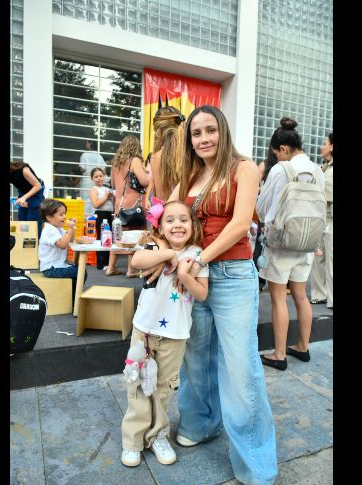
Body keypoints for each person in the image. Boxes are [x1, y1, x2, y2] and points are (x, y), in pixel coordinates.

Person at [166, 105, 278, 485]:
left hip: (230, 275)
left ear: (222, 131)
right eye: (196, 134)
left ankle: (256, 463)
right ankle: (200, 425)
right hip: (195, 274)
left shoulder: (243, 167)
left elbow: (241, 224)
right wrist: (170, 254)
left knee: (240, 366)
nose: (204, 139)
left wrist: (199, 260)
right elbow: (169, 216)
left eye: (210, 130)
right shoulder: (191, 174)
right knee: (195, 357)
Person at [120, 201, 209, 467]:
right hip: (144, 330)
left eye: (184, 219)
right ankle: (133, 441)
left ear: (192, 226)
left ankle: (158, 435)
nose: (178, 225)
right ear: (159, 225)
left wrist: (184, 272)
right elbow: (137, 260)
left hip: (176, 334)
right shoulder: (154, 245)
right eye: (170, 220)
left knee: (163, 388)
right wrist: (168, 255)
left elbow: (202, 294)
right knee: (136, 384)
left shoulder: (197, 254)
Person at [256, 117, 325, 370]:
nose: (277, 157)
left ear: (283, 149)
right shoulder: (318, 170)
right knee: (300, 296)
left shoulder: (280, 170)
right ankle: (303, 347)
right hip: (307, 242)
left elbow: (262, 208)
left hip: (281, 243)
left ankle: (280, 353)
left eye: (277, 153)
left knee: (277, 298)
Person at [106, 135, 149, 277]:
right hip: (133, 202)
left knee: (118, 235)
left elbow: (112, 184)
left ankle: (111, 268)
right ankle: (132, 270)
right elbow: (144, 182)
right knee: (135, 234)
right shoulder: (134, 160)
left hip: (119, 203)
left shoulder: (115, 163)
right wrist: (148, 173)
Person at [38, 198, 84, 305]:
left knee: (77, 270)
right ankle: (73, 298)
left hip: (56, 266)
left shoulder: (56, 227)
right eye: (61, 214)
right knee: (80, 272)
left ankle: (71, 295)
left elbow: (70, 239)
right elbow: (63, 245)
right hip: (51, 268)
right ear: (49, 217)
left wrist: (72, 229)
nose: (64, 217)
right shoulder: (49, 230)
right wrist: (70, 229)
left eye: (64, 214)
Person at [309, 132, 333, 308]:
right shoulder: (324, 167)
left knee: (330, 260)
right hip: (321, 217)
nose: (321, 146)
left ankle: (331, 298)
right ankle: (319, 293)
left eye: (324, 143)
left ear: (332, 146)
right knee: (319, 259)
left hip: (330, 218)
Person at [146, 104, 186, 205]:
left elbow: (161, 201)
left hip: (170, 215)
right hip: (195, 216)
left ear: (158, 132)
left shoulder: (156, 158)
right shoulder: (191, 153)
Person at [253, 149, 279, 292]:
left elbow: (254, 187)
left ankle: (259, 282)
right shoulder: (266, 166)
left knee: (261, 247)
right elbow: (254, 186)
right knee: (261, 247)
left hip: (268, 213)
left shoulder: (265, 165)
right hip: (273, 214)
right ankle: (259, 280)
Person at [88, 167, 115, 270]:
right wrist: (107, 196)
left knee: (109, 239)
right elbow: (96, 204)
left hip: (109, 215)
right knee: (101, 238)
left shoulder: (106, 189)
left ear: (104, 176)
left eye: (100, 176)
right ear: (92, 179)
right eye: (96, 177)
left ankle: (109, 263)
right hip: (100, 215)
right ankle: (101, 264)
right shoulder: (94, 190)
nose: (99, 178)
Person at [10, 161, 45, 238]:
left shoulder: (23, 170)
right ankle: (24, 245)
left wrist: (23, 198)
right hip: (23, 191)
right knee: (22, 220)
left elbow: (37, 186)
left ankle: (35, 246)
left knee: (32, 222)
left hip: (36, 190)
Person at [79, 140, 106, 212]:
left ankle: (86, 219)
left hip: (87, 180)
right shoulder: (99, 156)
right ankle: (95, 217)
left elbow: (82, 169)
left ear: (90, 144)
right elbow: (104, 170)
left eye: (87, 143)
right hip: (97, 180)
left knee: (86, 200)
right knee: (96, 198)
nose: (86, 144)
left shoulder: (84, 155)